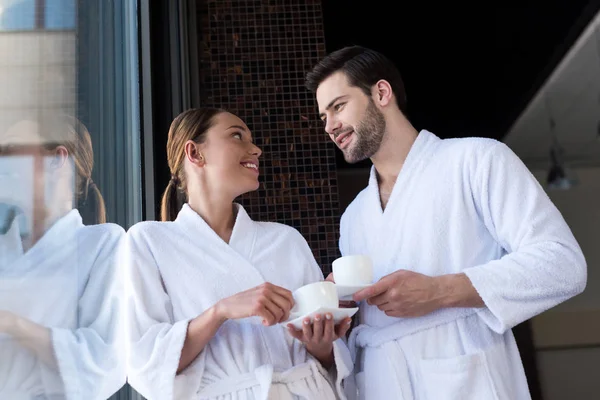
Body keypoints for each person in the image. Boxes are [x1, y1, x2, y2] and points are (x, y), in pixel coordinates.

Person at [305, 46, 587, 400]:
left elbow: (563, 264)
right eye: (322, 117)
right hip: (380, 384)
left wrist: (440, 291)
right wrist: (341, 311)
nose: (329, 126)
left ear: (381, 93)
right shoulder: (355, 216)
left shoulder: (476, 160)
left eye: (338, 107)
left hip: (466, 381)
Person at [125, 107, 354, 400]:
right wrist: (220, 311)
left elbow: (328, 362)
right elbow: (147, 362)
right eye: (237, 136)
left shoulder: (286, 240)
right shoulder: (149, 242)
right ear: (194, 153)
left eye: (252, 139)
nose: (256, 149)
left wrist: (320, 343)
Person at [0, 115, 126, 399]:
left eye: (10, 148)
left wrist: (11, 323)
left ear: (57, 159)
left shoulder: (103, 244)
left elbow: (105, 363)